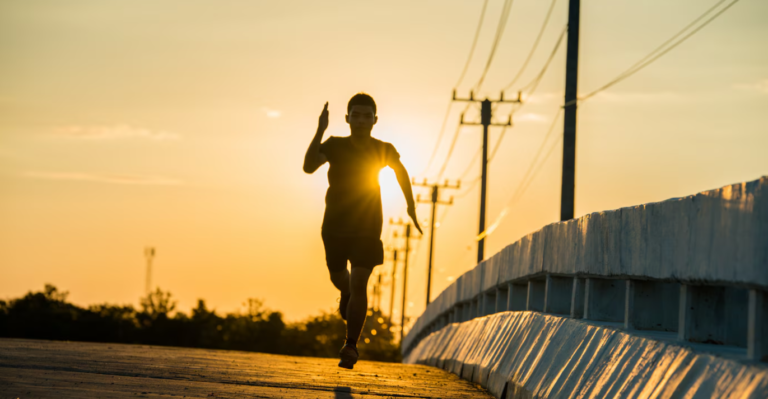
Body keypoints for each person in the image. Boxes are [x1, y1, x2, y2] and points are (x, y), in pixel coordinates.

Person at [303, 93, 422, 369]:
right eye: (355, 115)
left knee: (359, 282)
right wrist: (320, 130)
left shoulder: (383, 148)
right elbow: (309, 167)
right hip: (334, 225)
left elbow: (401, 171)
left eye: (366, 115)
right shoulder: (334, 145)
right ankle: (344, 294)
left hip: (368, 225)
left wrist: (411, 206)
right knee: (339, 277)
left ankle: (351, 346)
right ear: (347, 119)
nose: (360, 120)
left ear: (375, 120)